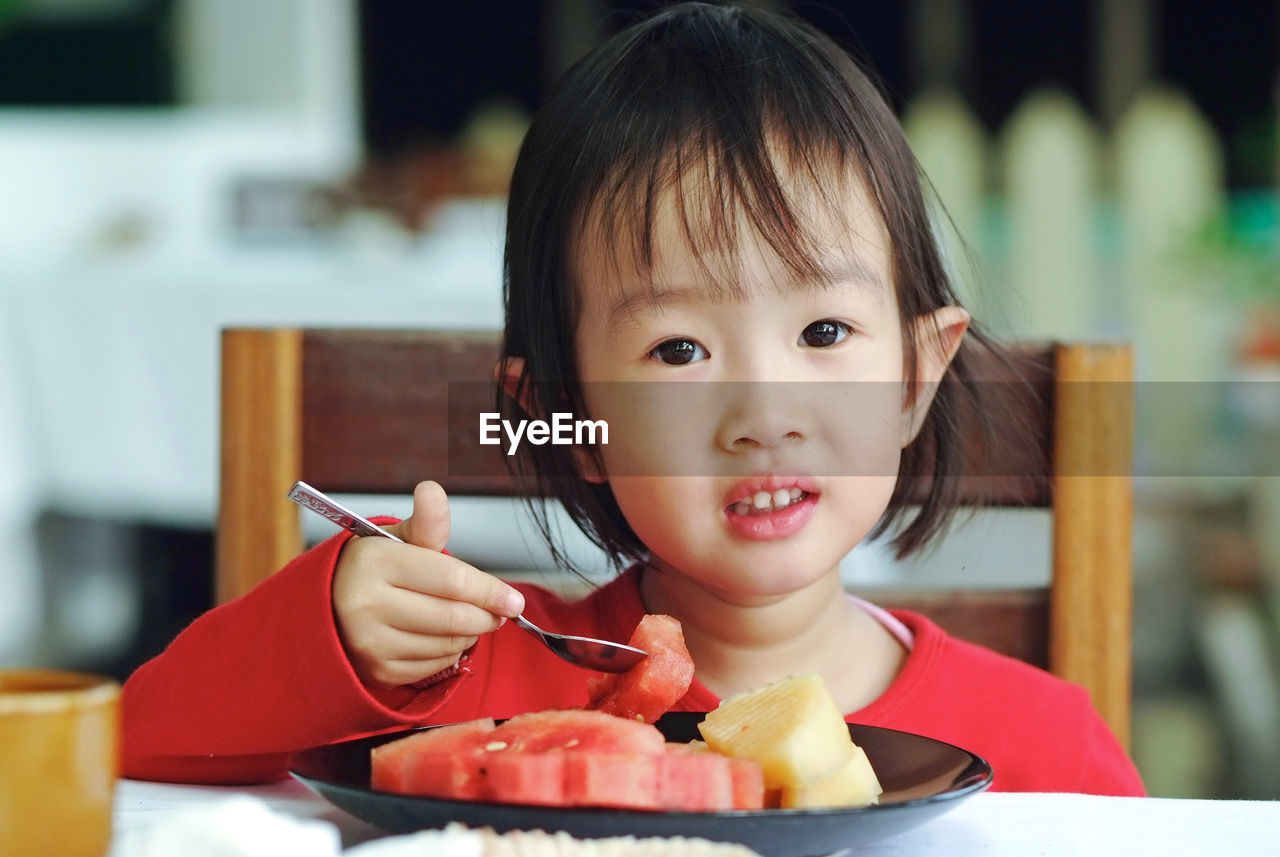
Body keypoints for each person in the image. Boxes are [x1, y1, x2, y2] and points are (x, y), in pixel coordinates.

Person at [122, 1, 1144, 794]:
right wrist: (334, 636)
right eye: (677, 347)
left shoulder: (1044, 738)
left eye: (822, 332)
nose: (761, 412)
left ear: (916, 375)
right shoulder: (470, 693)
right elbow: (133, 749)